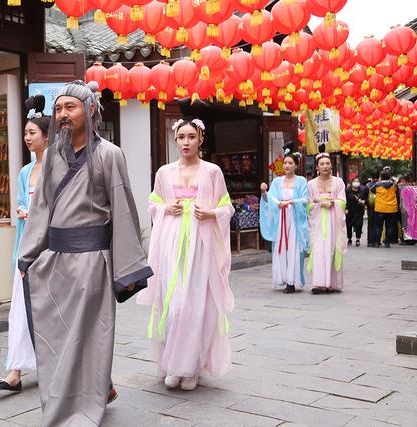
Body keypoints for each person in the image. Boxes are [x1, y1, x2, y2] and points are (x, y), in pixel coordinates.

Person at [17, 80, 153, 426]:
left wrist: (127, 268)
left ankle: (87, 402)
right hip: (57, 261)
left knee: (91, 338)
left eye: (70, 108)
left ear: (89, 110)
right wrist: (28, 255)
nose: (62, 115)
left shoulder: (110, 154)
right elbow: (41, 208)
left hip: (93, 262)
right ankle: (65, 401)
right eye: (59, 109)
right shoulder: (52, 157)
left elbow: (123, 209)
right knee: (57, 337)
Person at [138, 98, 235, 391]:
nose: (186, 141)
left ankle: (191, 367)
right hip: (171, 243)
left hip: (201, 243)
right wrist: (167, 207)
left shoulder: (212, 171)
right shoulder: (164, 172)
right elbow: (153, 202)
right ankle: (171, 363)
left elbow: (226, 206)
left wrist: (211, 213)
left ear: (201, 139)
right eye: (181, 136)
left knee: (195, 305)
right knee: (173, 303)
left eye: (191, 136)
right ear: (175, 138)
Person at [0, 95, 48, 392]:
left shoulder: (57, 168)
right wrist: (24, 211)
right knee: (20, 309)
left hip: (50, 250)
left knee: (50, 310)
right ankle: (14, 371)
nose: (27, 138)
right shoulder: (25, 172)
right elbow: (23, 202)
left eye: (32, 133)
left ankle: (52, 364)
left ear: (46, 136)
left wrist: (39, 213)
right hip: (26, 246)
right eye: (25, 133)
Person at [259, 144, 309, 294]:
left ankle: (291, 282)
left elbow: (306, 199)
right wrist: (263, 192)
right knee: (281, 248)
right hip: (281, 218)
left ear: (296, 166)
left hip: (293, 218)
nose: (286, 166)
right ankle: (282, 278)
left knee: (293, 248)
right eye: (285, 163)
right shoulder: (276, 182)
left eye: (290, 163)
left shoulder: (301, 181)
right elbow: (270, 200)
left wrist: (292, 202)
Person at [306, 150, 347, 294]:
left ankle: (332, 283)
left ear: (331, 165)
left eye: (327, 163)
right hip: (317, 221)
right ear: (317, 167)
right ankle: (319, 283)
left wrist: (332, 203)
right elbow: (308, 204)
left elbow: (342, 202)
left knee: (332, 249)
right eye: (322, 164)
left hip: (333, 221)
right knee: (318, 250)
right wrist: (318, 204)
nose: (325, 166)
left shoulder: (338, 182)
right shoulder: (311, 184)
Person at [371, 170, 400, 248]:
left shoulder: (377, 185)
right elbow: (397, 195)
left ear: (381, 177)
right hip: (391, 208)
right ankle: (387, 243)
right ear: (389, 177)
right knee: (389, 226)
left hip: (380, 208)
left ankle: (377, 243)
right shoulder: (394, 185)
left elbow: (372, 190)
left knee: (377, 226)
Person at [345, 176, 366, 247]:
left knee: (359, 225)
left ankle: (358, 239)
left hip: (359, 210)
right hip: (350, 210)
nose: (356, 183)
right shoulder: (348, 190)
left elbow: (365, 199)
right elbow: (345, 200)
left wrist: (363, 202)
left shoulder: (362, 190)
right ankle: (349, 238)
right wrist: (345, 208)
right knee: (349, 225)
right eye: (355, 181)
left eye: (357, 181)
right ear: (352, 182)